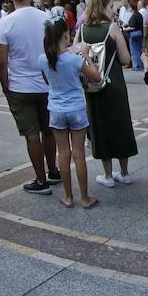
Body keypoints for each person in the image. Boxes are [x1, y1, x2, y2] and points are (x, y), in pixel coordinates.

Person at [0, 0, 60, 194]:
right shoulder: (46, 17)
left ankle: (40, 181)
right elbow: (55, 50)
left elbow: (1, 61)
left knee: (31, 134)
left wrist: (5, 86)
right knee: (48, 131)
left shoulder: (6, 22)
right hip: (46, 85)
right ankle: (53, 171)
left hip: (20, 86)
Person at [40, 18, 102, 209]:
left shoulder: (43, 59)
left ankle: (68, 196)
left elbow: (47, 81)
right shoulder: (74, 60)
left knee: (63, 154)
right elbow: (96, 77)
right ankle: (84, 197)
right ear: (65, 35)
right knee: (79, 154)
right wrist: (87, 56)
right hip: (75, 109)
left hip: (56, 110)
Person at [80, 0, 137, 187]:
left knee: (100, 126)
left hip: (93, 85)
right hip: (114, 83)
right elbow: (125, 59)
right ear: (102, 7)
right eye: (111, 7)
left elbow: (76, 56)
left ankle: (107, 175)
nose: (114, 11)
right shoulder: (113, 28)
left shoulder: (82, 30)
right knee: (120, 125)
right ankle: (124, 171)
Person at [126, 0, 145, 71]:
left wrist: (125, 29)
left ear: (131, 7)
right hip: (139, 34)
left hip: (134, 34)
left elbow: (132, 27)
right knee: (139, 50)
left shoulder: (134, 15)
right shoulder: (139, 14)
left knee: (134, 51)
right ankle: (140, 65)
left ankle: (137, 66)